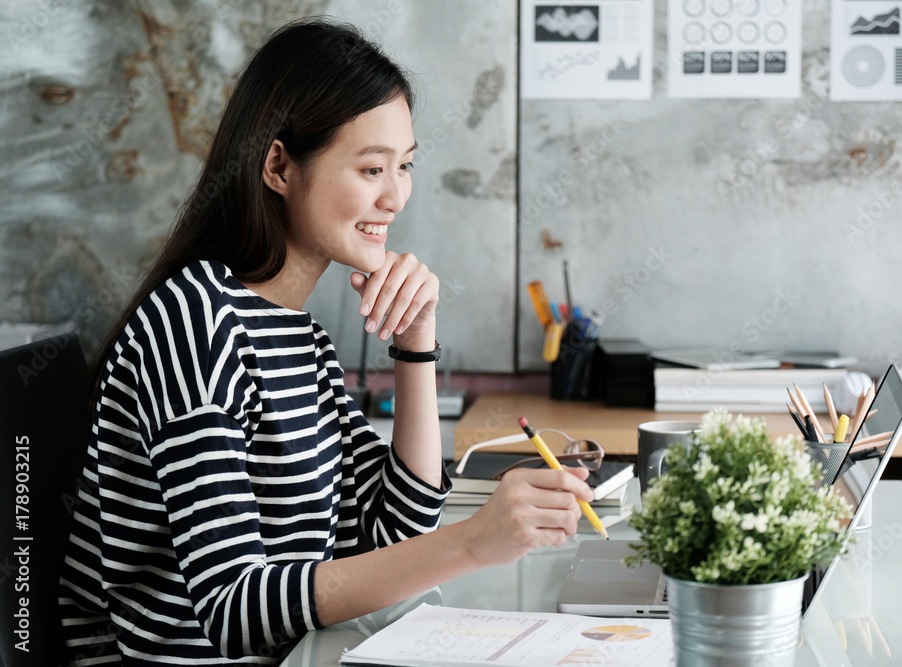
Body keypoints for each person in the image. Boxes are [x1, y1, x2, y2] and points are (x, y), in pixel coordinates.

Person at [58, 18, 593, 666]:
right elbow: (232, 606)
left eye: (406, 166)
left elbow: (392, 530)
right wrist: (475, 542)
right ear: (279, 165)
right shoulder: (194, 319)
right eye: (372, 167)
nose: (395, 196)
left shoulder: (297, 335)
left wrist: (416, 343)